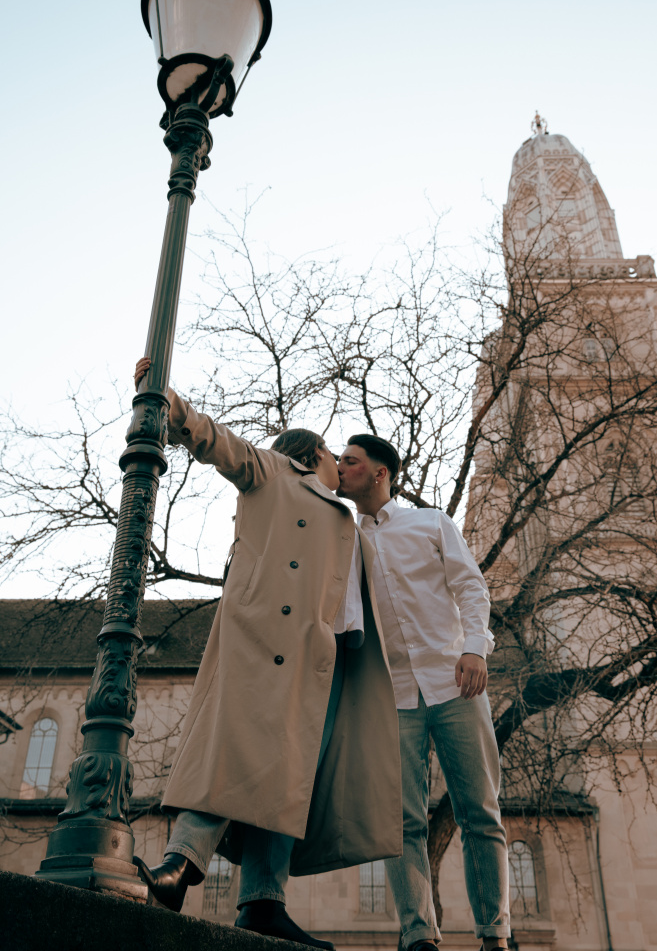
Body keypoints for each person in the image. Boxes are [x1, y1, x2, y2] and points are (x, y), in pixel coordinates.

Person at [132, 360, 402, 950]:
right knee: (237, 756)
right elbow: (221, 445)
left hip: (324, 664)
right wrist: (171, 405)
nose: (340, 466)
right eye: (334, 455)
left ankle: (261, 902)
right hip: (268, 645)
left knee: (285, 782)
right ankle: (181, 864)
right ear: (312, 455)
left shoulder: (350, 519)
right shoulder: (278, 472)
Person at [337, 434, 510, 951]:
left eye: (350, 461)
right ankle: (418, 936)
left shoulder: (431, 522)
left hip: (455, 683)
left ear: (380, 473)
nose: (340, 468)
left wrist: (476, 647)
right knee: (401, 822)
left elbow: (470, 586)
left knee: (480, 812)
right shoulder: (343, 539)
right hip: (391, 698)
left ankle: (494, 936)